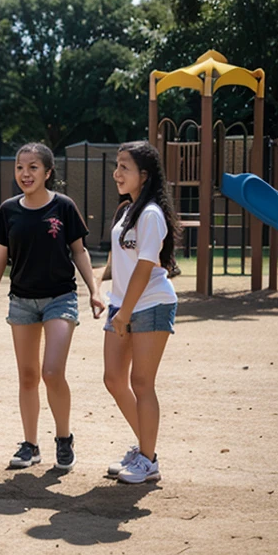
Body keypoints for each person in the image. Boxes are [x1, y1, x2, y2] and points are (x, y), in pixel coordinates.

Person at [0, 143, 104, 471]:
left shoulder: (63, 206)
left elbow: (79, 251)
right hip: (21, 300)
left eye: (33, 167)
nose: (25, 173)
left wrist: (94, 290)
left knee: (51, 371)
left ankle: (64, 438)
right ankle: (30, 445)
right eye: (20, 167)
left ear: (48, 172)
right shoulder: (8, 210)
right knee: (28, 375)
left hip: (60, 297)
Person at [97, 140, 180, 484]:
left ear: (144, 175)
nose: (117, 173)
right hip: (122, 305)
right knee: (114, 379)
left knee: (141, 382)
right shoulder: (126, 211)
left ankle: (147, 459)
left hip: (151, 304)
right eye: (116, 166)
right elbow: (120, 262)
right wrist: (97, 288)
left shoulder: (150, 214)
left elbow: (146, 267)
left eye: (124, 167)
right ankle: (147, 450)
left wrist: (124, 312)